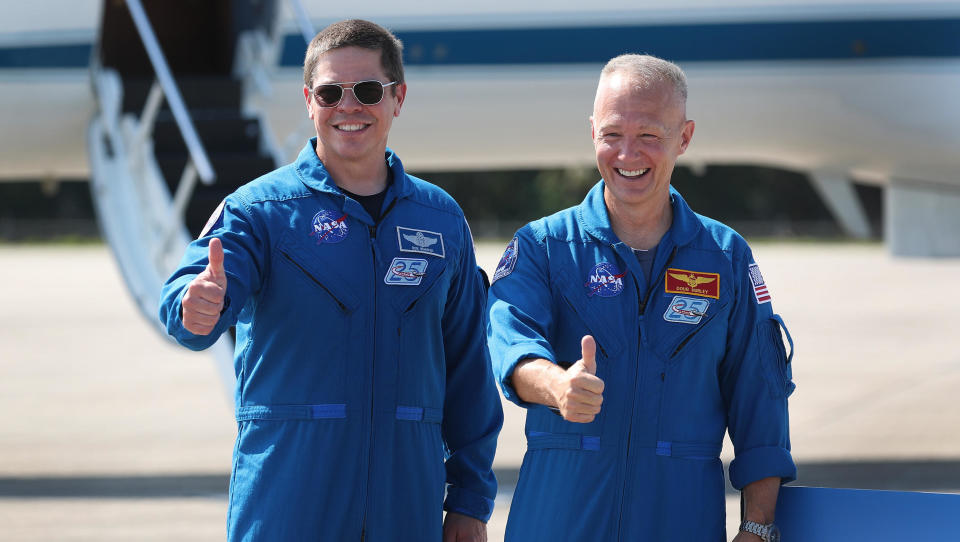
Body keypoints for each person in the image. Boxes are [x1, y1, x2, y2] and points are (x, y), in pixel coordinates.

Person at [159, 19, 502, 542]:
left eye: (367, 90)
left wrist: (471, 501)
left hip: (405, 507)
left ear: (398, 98)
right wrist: (193, 306)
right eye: (329, 92)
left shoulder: (441, 220)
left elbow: (469, 374)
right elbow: (192, 300)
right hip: (288, 503)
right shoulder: (260, 211)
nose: (349, 106)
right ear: (308, 100)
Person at [486, 54, 796, 542]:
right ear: (592, 132)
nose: (628, 154)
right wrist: (556, 386)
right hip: (558, 522)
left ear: (684, 138)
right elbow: (510, 343)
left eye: (649, 135)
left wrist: (757, 527)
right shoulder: (542, 247)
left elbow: (761, 401)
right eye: (612, 134)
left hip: (680, 521)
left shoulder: (725, 257)